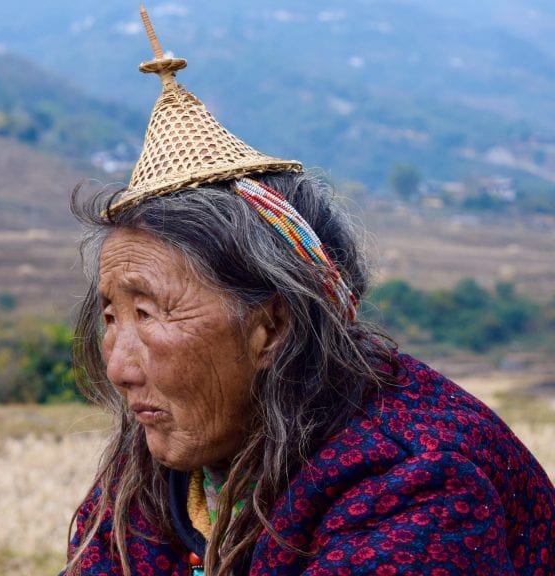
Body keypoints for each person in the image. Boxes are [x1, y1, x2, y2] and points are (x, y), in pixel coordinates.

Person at [60, 7, 555, 576]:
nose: (120, 368)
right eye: (110, 316)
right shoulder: (167, 460)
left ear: (273, 325)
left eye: (146, 313)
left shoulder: (417, 485)